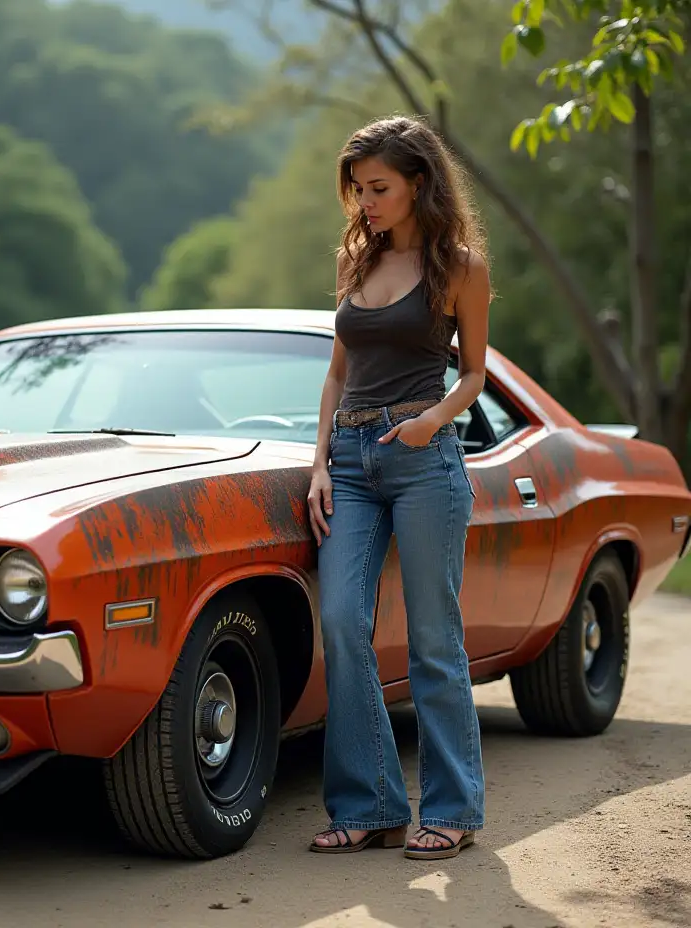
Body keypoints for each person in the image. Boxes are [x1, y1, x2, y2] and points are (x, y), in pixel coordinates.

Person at [305, 116, 492, 860]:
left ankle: (452, 808)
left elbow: (474, 373)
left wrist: (430, 422)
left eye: (378, 188)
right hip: (350, 460)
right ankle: (372, 803)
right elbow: (336, 373)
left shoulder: (462, 267)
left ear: (419, 182)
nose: (365, 203)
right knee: (343, 624)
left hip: (423, 460)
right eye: (356, 190)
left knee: (433, 640)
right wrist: (318, 462)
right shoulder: (358, 260)